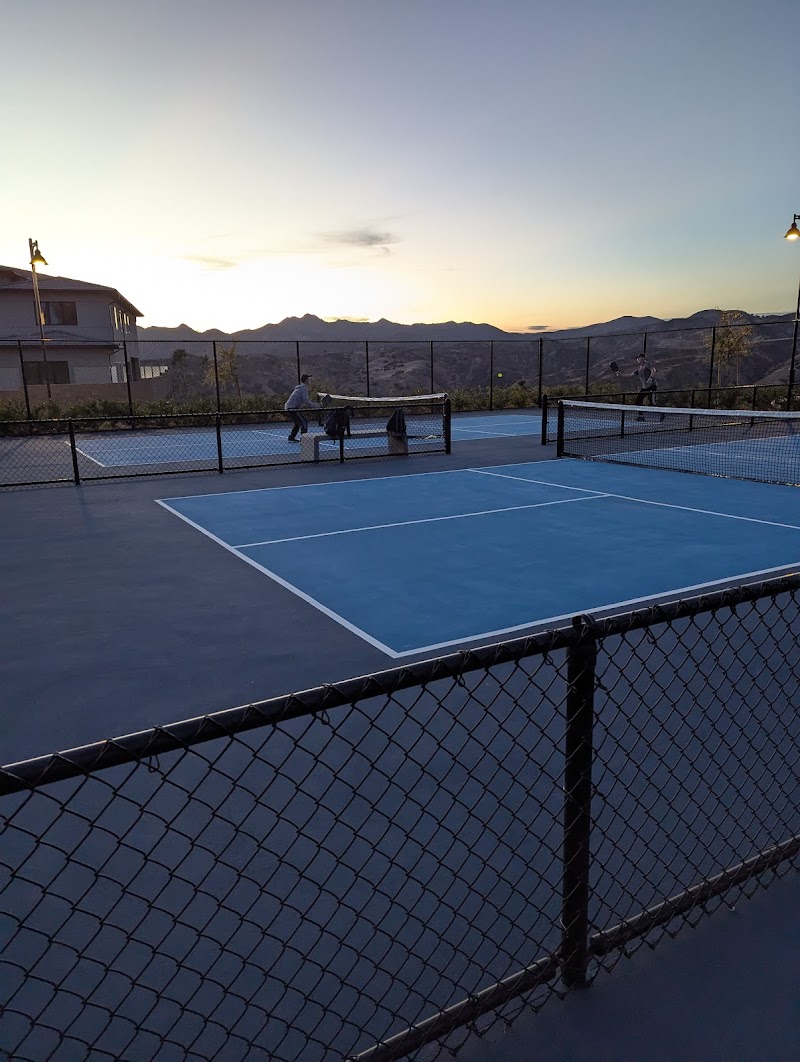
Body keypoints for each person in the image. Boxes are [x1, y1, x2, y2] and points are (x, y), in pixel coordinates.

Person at [616, 354, 663, 421]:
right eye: (637, 358)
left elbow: (653, 370)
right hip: (644, 388)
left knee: (653, 402)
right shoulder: (639, 369)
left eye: (639, 358)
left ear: (643, 358)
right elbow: (631, 375)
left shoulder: (647, 364)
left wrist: (651, 377)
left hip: (652, 386)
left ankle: (662, 412)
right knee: (638, 401)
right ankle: (641, 416)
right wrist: (621, 375)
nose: (637, 359)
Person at [284, 374, 321, 441]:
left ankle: (292, 437)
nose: (310, 380)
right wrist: (315, 406)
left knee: (297, 423)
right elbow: (306, 400)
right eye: (309, 379)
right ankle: (304, 440)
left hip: (290, 407)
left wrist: (313, 405)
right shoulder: (304, 388)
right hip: (292, 408)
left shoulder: (300, 388)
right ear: (306, 380)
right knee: (304, 422)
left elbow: (303, 401)